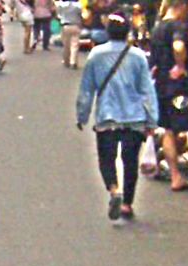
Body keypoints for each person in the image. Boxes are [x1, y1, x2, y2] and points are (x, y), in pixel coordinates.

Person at [76, 11, 159, 220]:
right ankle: (128, 204)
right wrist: (152, 120)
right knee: (130, 162)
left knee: (106, 159)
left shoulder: (96, 55)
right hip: (134, 118)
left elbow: (87, 89)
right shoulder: (138, 56)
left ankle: (114, 190)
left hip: (107, 116)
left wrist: (82, 115)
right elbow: (147, 91)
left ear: (108, 32)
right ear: (127, 32)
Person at [150, 0, 188, 193]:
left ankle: (175, 176)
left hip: (161, 86)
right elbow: (178, 46)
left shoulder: (157, 28)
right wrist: (180, 66)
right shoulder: (177, 27)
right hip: (180, 89)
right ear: (181, 6)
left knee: (168, 130)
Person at [56, 0, 82, 68]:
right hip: (76, 25)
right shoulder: (78, 5)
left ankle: (66, 61)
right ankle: (73, 61)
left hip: (65, 25)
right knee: (75, 45)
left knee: (66, 45)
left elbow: (58, 15)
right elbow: (80, 15)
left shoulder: (61, 5)